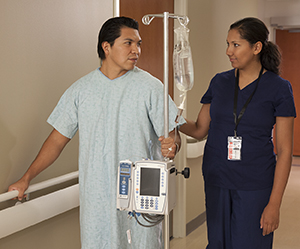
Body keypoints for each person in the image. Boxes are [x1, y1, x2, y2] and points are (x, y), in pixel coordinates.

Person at [8, 16, 185, 249]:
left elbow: (174, 137)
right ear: (107, 47)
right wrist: (26, 178)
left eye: (138, 44)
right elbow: (56, 141)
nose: (136, 50)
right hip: (97, 200)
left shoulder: (151, 87)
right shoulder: (81, 91)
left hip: (140, 198)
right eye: (128, 43)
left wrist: (172, 144)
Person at [180, 17, 296, 248]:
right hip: (217, 178)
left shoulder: (279, 88)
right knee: (218, 243)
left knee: (249, 243)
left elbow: (284, 151)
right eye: (227, 44)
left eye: (236, 45)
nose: (228, 51)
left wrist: (274, 204)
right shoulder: (220, 82)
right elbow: (200, 129)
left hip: (255, 182)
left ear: (256, 48)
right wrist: (170, 116)